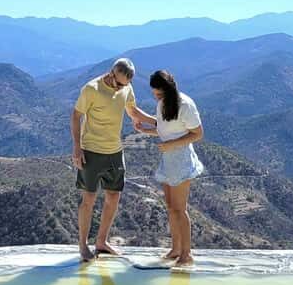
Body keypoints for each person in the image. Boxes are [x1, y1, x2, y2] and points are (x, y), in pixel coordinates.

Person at [71, 58, 155, 262]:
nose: (120, 88)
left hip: (115, 151)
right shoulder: (91, 89)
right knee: (88, 200)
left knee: (113, 197)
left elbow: (132, 111)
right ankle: (83, 245)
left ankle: (102, 242)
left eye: (124, 85)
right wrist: (77, 148)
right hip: (91, 151)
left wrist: (156, 121)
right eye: (118, 83)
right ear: (111, 73)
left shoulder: (125, 87)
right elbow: (75, 116)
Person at [135, 69, 204, 266]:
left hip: (181, 159)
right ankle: (175, 249)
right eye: (154, 93)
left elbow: (198, 133)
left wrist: (172, 145)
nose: (155, 96)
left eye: (158, 93)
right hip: (167, 160)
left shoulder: (186, 104)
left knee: (180, 209)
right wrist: (146, 131)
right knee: (171, 207)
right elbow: (164, 129)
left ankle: (186, 254)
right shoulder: (162, 104)